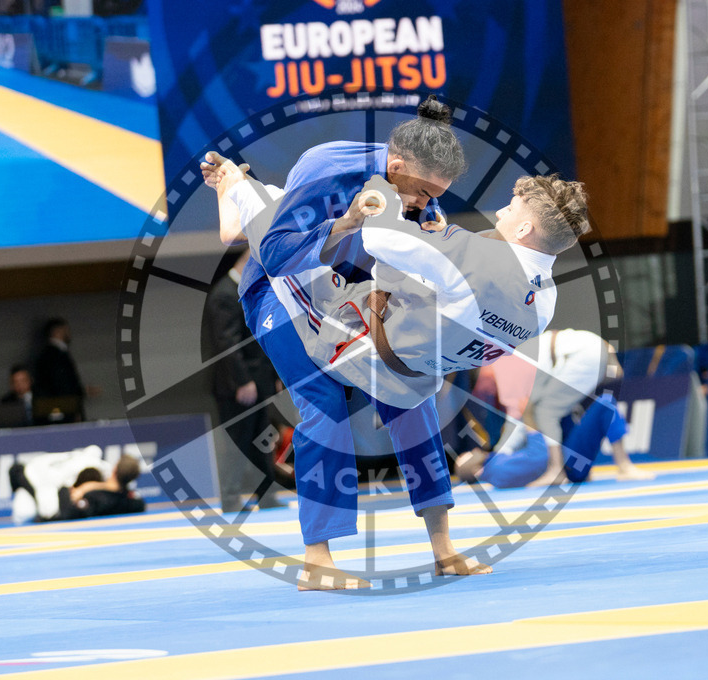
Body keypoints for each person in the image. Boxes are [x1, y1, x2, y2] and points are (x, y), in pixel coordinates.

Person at [200, 96, 488, 589]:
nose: (425, 202)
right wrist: (348, 221)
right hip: (280, 287)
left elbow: (414, 263)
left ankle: (443, 548)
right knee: (323, 401)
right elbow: (275, 253)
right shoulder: (326, 167)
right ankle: (318, 560)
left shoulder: (422, 188)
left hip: (351, 293)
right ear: (394, 167)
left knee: (412, 393)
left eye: (435, 195)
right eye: (422, 192)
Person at [217, 166, 573, 411]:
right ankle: (260, 196)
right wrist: (439, 241)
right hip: (416, 386)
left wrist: (381, 185)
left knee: (287, 259)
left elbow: (379, 237)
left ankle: (236, 188)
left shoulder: (475, 259)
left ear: (524, 229)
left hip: (358, 348)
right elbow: (463, 302)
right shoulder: (546, 302)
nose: (499, 214)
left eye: (509, 210)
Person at [482, 330, 652, 487]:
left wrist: (496, 454)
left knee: (545, 412)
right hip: (576, 467)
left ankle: (558, 470)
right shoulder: (529, 363)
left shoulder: (511, 367)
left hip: (570, 463)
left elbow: (517, 420)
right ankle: (621, 465)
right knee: (596, 405)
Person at [208, 248, 285, 513]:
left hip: (258, 379)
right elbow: (226, 342)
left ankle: (266, 495)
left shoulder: (248, 291)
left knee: (261, 439)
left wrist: (273, 376)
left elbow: (264, 335)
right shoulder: (224, 294)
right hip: (237, 386)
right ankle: (230, 500)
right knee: (236, 443)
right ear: (246, 262)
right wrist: (242, 381)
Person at [9, 448, 145, 523]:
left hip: (45, 486)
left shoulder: (99, 497)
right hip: (42, 473)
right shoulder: (104, 471)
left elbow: (66, 512)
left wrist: (77, 489)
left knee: (24, 513)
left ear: (116, 468)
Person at [34, 317, 87, 422]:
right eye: (66, 330)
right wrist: (73, 409)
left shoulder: (54, 354)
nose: (68, 333)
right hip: (63, 412)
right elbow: (62, 385)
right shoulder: (54, 356)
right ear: (57, 331)